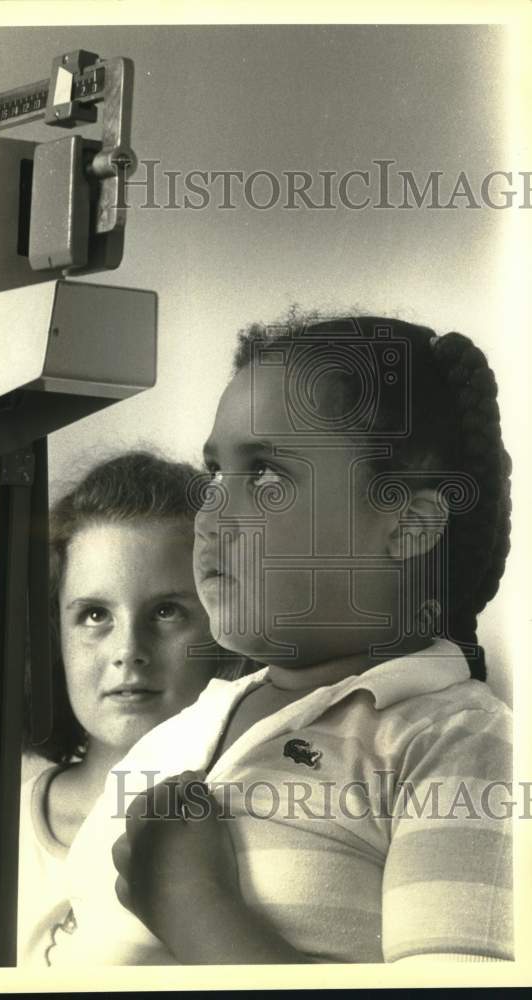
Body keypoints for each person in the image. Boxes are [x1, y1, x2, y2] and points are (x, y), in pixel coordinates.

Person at [53, 314, 513, 966]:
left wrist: (194, 903)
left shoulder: (459, 744)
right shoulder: (189, 725)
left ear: (409, 524)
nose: (212, 513)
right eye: (215, 473)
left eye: (267, 477)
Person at [17, 450, 249, 966]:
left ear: (223, 630)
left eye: (167, 611)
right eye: (95, 614)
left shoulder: (247, 816)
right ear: (53, 635)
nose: (129, 650)